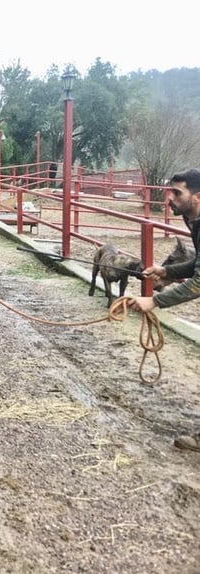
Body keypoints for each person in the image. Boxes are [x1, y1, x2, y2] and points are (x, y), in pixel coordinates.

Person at [130, 168, 200, 452]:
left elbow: (199, 282)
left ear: (197, 197)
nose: (169, 198)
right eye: (170, 191)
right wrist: (166, 270)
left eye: (177, 193)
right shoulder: (191, 217)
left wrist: (154, 301)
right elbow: (197, 265)